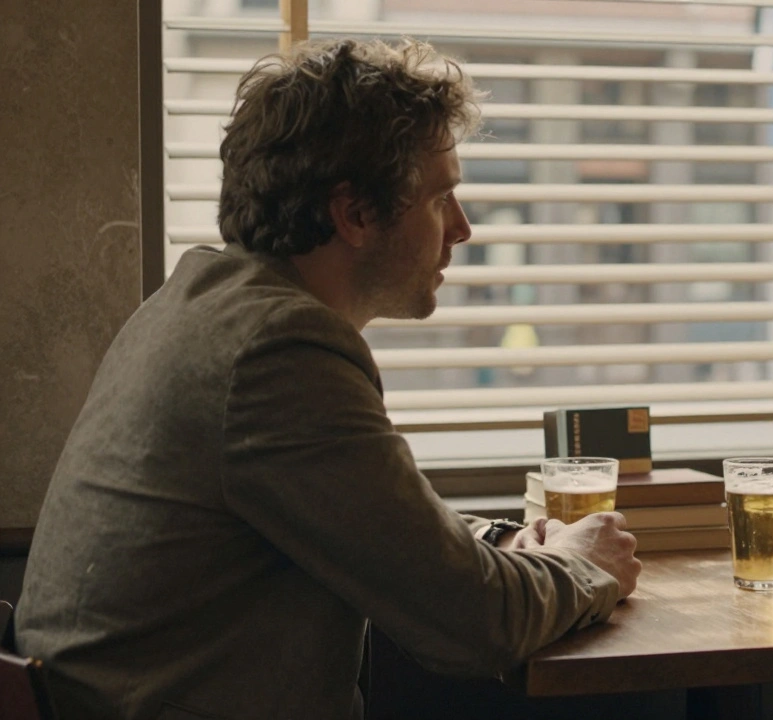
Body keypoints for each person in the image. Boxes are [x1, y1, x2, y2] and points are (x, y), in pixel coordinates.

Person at [14, 37, 641, 720]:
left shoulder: (194, 309)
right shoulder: (276, 355)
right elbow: (474, 623)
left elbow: (360, 513)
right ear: (355, 214)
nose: (462, 228)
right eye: (441, 199)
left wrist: (496, 542)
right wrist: (585, 566)